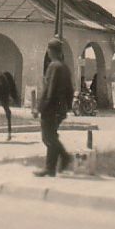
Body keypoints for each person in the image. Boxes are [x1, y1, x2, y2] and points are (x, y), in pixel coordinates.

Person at [34, 38, 74, 177]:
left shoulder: (53, 66)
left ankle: (65, 156)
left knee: (47, 137)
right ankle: (50, 168)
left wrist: (40, 108)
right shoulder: (65, 67)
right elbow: (70, 90)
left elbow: (48, 90)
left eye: (48, 49)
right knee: (52, 136)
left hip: (51, 108)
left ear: (51, 51)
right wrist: (67, 107)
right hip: (61, 108)